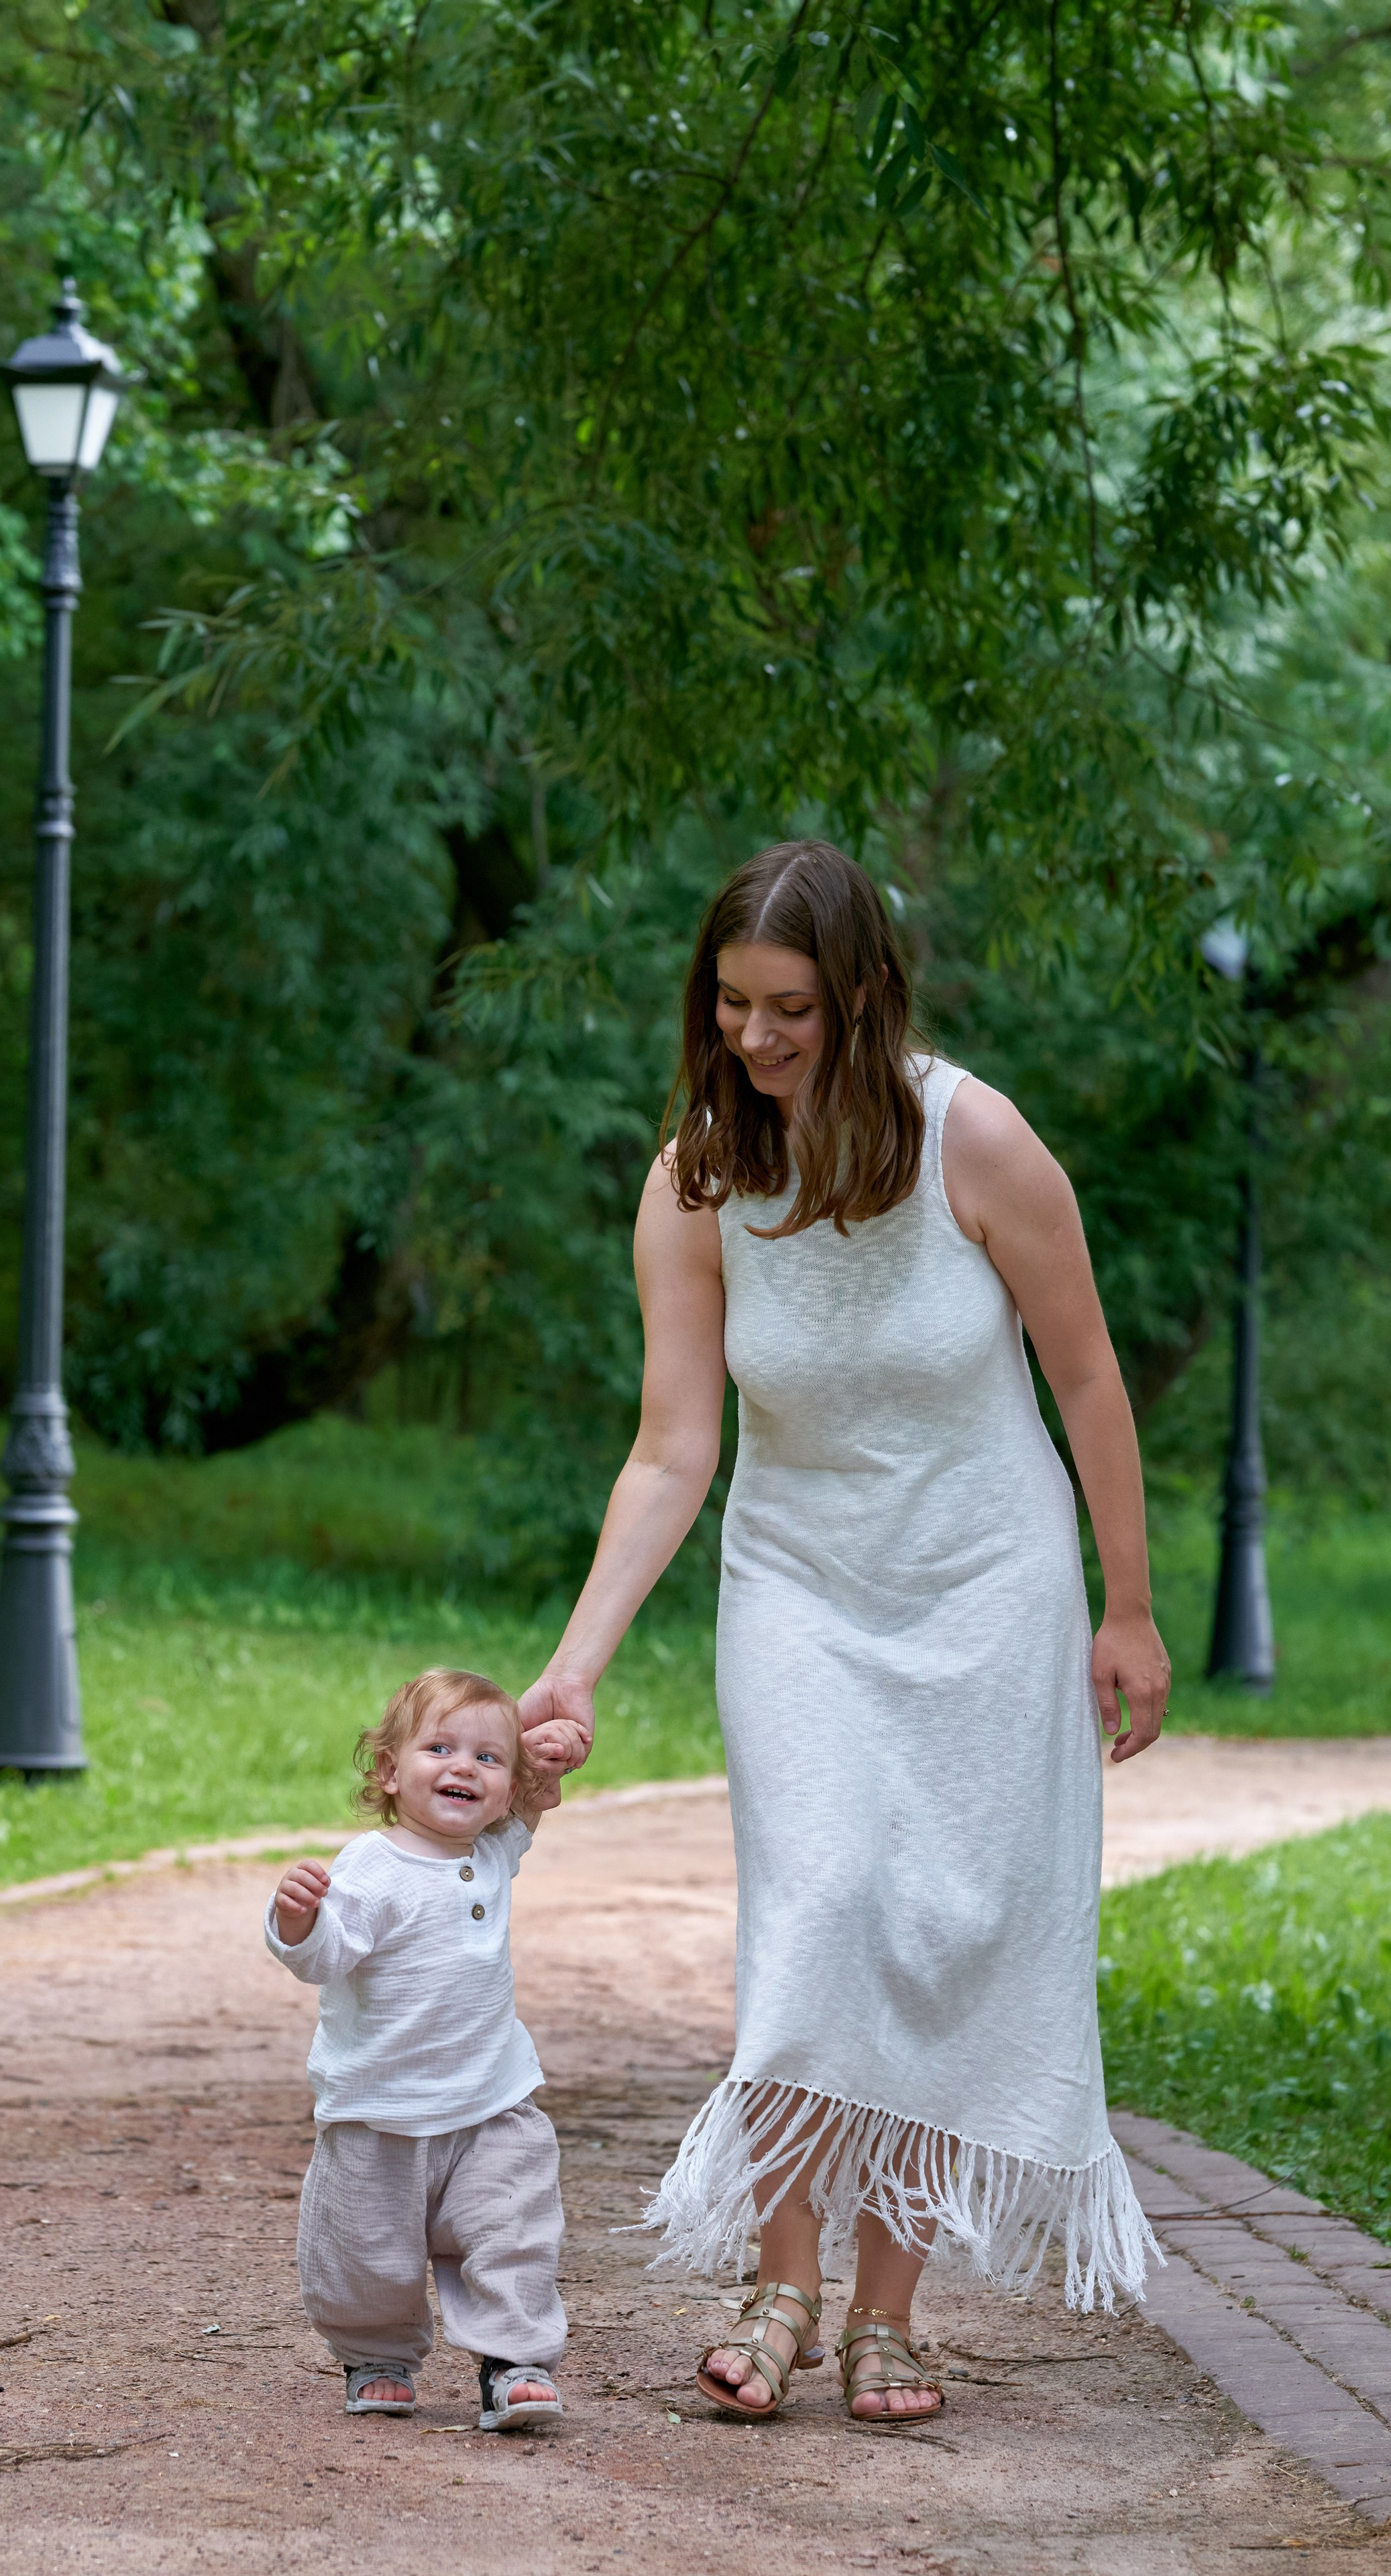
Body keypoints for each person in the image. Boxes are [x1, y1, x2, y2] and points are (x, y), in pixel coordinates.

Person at [518, 840, 1170, 2424]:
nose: (753, 1036)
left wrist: (1128, 1604)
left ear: (861, 996)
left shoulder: (976, 1142)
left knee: (934, 1921)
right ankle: (780, 2274)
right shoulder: (696, 1179)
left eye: (788, 1006)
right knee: (816, 1905)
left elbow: (1085, 1379)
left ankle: (890, 2309)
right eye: (730, 1003)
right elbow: (673, 1447)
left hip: (984, 1586)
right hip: (797, 1585)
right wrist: (574, 1662)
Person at [267, 1666, 567, 2432]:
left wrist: (550, 1755)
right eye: (439, 1747)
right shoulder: (372, 1865)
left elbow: (534, 1798)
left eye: (487, 1759)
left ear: (506, 1790)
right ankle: (375, 2354)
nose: (463, 1766)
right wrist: (297, 1922)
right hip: (380, 2109)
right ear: (387, 1771)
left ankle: (513, 2362)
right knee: (364, 2251)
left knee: (512, 2231)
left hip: (492, 2103)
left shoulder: (495, 1849)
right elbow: (325, 1957)